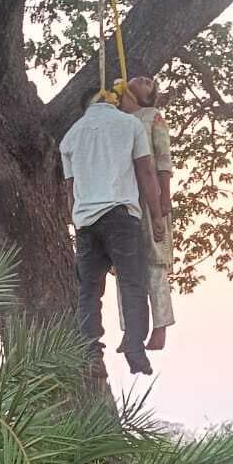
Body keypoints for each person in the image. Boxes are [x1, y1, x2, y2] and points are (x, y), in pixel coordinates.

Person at [60, 91, 165, 375]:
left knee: (89, 291)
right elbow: (146, 172)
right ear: (111, 100)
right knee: (132, 283)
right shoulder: (130, 124)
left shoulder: (70, 137)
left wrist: (77, 223)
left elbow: (70, 190)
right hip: (121, 217)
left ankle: (91, 354)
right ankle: (134, 347)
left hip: (86, 223)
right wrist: (156, 215)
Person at [117, 75, 175, 351]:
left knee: (154, 263)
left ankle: (160, 327)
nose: (144, 79)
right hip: (122, 197)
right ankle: (130, 330)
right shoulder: (115, 117)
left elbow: (163, 158)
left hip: (150, 196)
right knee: (124, 266)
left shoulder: (153, 117)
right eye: (140, 79)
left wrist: (164, 196)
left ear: (150, 96)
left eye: (149, 83)